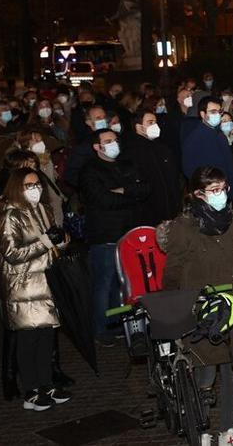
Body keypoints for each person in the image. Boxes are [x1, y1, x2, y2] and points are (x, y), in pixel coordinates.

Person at [158, 166, 233, 446]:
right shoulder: (185, 227)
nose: (221, 195)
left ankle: (228, 431)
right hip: (202, 311)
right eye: (214, 190)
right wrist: (173, 309)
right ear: (198, 194)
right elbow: (173, 271)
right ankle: (202, 430)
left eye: (224, 188)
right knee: (204, 373)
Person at [0, 167, 72, 412]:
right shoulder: (11, 216)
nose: (35, 189)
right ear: (18, 187)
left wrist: (59, 240)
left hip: (44, 282)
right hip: (23, 286)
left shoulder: (40, 210)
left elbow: (47, 242)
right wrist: (46, 242)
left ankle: (46, 384)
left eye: (37, 184)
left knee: (46, 337)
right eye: (29, 185)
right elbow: (12, 253)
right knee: (29, 339)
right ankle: (31, 390)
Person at [80, 128, 150, 346]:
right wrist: (129, 193)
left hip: (127, 233)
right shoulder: (90, 170)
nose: (113, 144)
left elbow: (144, 188)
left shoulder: (126, 164)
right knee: (104, 282)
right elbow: (103, 199)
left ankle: (117, 323)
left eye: (114, 140)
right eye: (107, 141)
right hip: (105, 234)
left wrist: (123, 191)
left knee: (121, 283)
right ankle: (101, 328)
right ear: (97, 146)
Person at [122, 110, 183, 225]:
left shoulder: (162, 148)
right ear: (139, 127)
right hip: (150, 212)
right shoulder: (132, 152)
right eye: (150, 122)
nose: (155, 126)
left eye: (155, 122)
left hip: (170, 207)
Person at [181, 96, 233, 194]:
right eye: (213, 112)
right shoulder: (194, 138)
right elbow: (189, 170)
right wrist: (207, 190)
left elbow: (229, 164)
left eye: (219, 111)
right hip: (211, 194)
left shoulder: (220, 134)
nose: (217, 115)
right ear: (203, 114)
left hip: (226, 190)